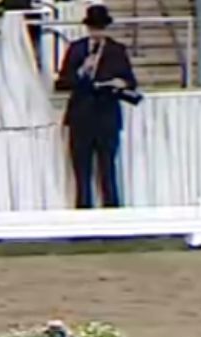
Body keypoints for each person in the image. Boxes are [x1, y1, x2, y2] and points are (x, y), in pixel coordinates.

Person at [53, 5, 137, 209]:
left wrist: (121, 83)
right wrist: (82, 70)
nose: (97, 33)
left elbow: (130, 81)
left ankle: (111, 210)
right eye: (94, 28)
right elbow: (62, 82)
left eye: (100, 28)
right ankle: (83, 210)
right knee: (81, 170)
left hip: (106, 115)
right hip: (81, 116)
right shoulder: (77, 49)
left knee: (107, 168)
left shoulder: (116, 50)